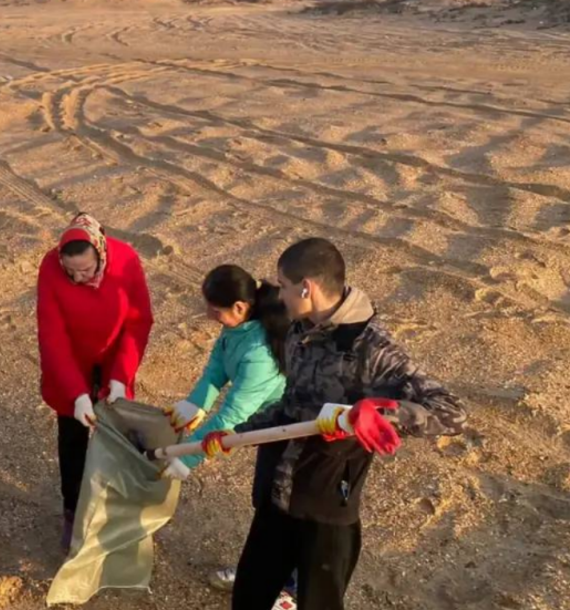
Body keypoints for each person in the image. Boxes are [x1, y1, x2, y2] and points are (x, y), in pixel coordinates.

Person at [199, 238, 467, 610]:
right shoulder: (298, 331)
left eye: (284, 285)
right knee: (248, 599)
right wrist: (236, 432)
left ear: (306, 288)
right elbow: (289, 404)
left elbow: (451, 411)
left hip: (326, 509)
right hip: (278, 496)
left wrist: (382, 413)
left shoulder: (372, 348)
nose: (277, 293)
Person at [155, 265, 295, 603]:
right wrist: (195, 403)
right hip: (270, 431)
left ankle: (291, 587)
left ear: (239, 307)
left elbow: (233, 414)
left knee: (288, 509)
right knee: (265, 501)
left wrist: (188, 456)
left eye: (214, 310)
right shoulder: (237, 328)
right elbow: (216, 368)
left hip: (294, 436)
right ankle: (259, 570)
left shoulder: (260, 353)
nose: (208, 315)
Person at [36, 213, 154, 552]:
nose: (78, 277)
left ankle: (114, 510)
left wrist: (120, 377)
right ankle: (73, 509)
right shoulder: (50, 268)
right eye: (71, 271)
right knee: (72, 438)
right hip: (71, 359)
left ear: (101, 252)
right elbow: (52, 336)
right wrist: (76, 394)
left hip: (113, 355)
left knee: (118, 436)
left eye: (86, 270)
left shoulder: (127, 259)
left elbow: (138, 321)